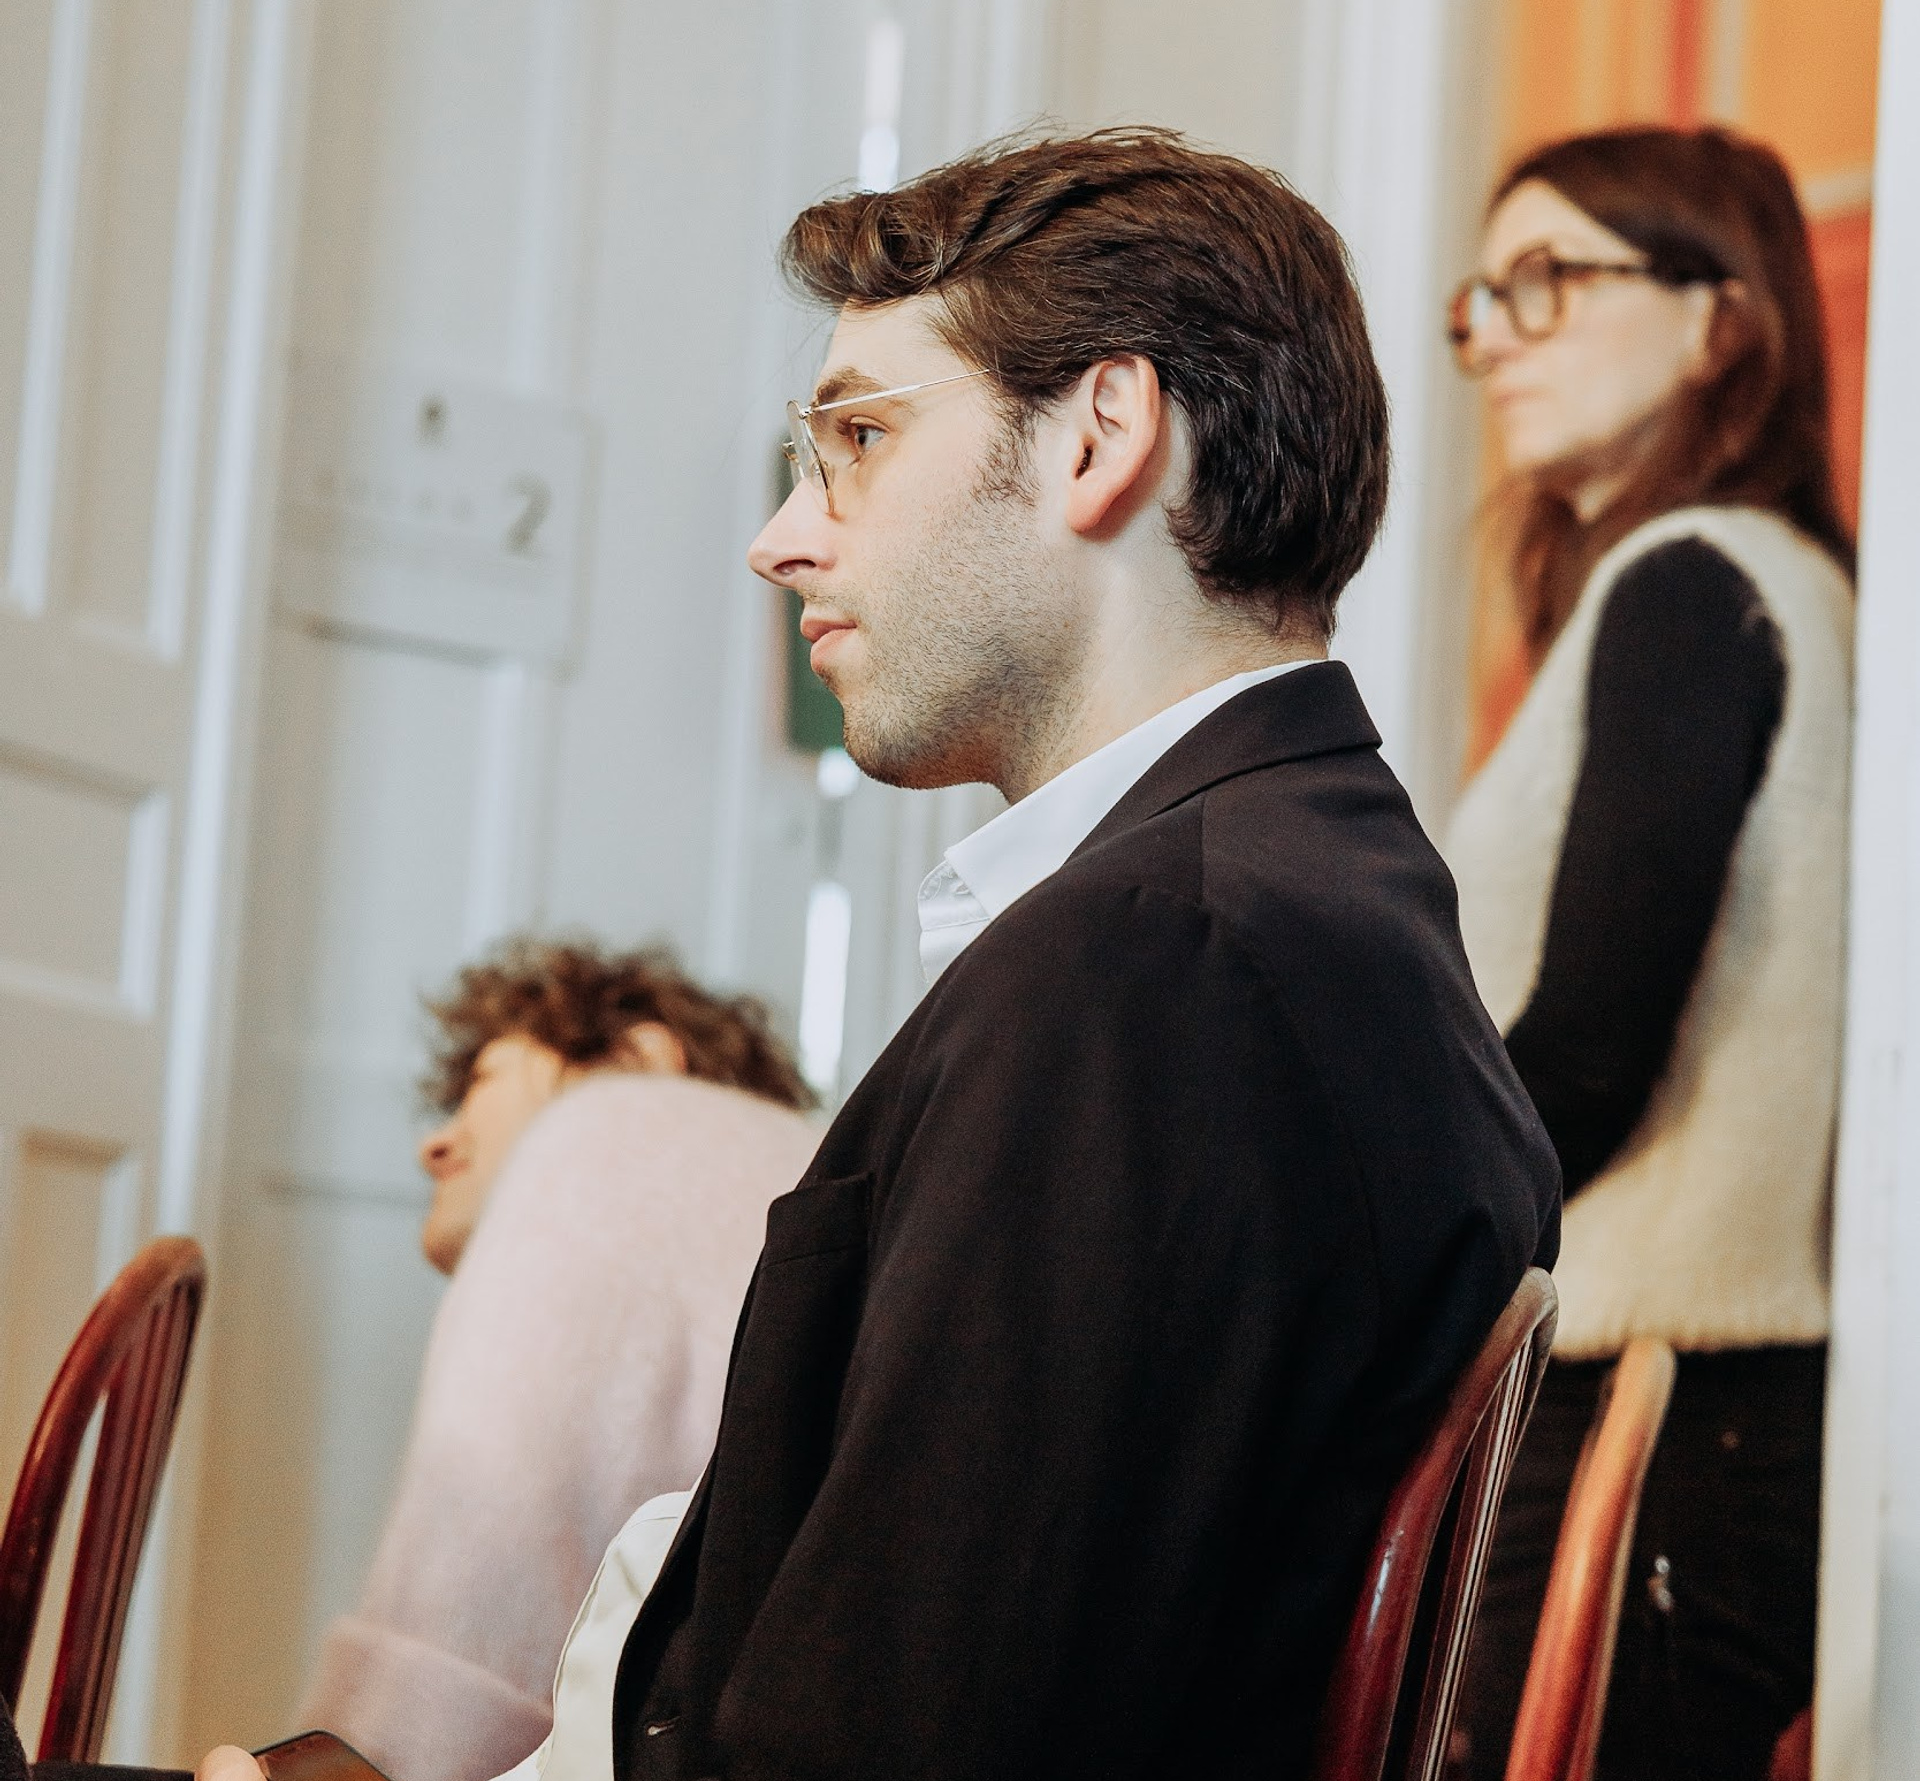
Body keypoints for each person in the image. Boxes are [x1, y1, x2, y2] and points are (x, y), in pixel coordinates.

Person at [195, 126, 1558, 1781]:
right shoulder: (1317, 903)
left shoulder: (1160, 969)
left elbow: (882, 1739)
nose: (782, 537)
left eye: (857, 436)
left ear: (1099, 438)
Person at [1442, 126, 1854, 1781]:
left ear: (1721, 317)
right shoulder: (1766, 586)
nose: (1494, 335)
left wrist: (1378, 1247)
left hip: (1655, 1404)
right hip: (1693, 1408)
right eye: (1482, 298)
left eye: (1551, 278)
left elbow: (1591, 1051)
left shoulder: (1695, 585)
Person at [300, 940, 819, 1781]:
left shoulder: (623, 1120)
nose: (432, 1148)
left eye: (482, 1085)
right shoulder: (806, 1182)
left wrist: (337, 1763)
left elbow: (479, 1598)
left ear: (640, 1056)